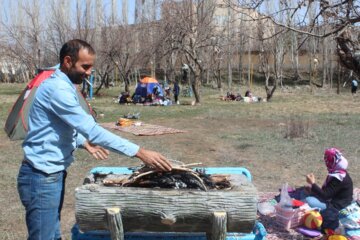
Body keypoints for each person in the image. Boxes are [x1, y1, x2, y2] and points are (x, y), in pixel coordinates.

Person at [17, 39, 172, 240]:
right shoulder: (57, 89)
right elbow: (93, 130)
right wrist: (140, 152)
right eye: (85, 66)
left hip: (50, 174)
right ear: (67, 61)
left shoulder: (62, 83)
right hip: (41, 176)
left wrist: (82, 142)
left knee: (53, 235)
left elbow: (56, 126)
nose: (89, 72)